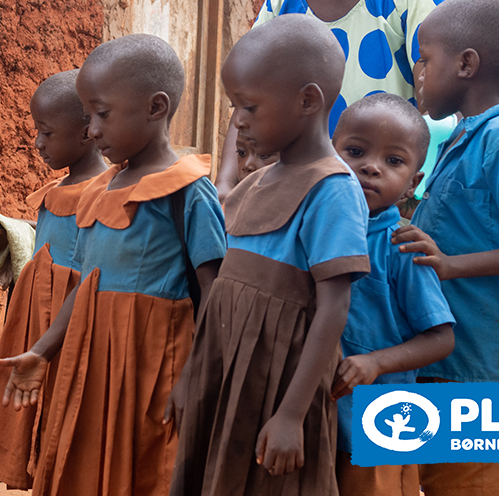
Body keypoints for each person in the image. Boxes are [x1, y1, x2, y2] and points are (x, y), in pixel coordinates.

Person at [0, 34, 226, 496]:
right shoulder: (100, 191)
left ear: (155, 107)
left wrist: (195, 379)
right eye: (88, 115)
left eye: (103, 113)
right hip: (94, 361)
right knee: (85, 470)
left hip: (150, 366)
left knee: (144, 471)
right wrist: (42, 351)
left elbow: (215, 296)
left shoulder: (186, 191)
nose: (94, 128)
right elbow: (88, 285)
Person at [172, 14, 369, 495]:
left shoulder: (333, 189)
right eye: (235, 106)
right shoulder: (256, 183)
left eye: (249, 106)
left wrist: (291, 414)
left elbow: (333, 308)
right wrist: (192, 378)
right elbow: (224, 295)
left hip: (276, 389)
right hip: (223, 383)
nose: (237, 120)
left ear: (307, 101)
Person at [390, 1, 499, 494]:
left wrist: (450, 265)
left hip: (486, 373)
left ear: (466, 64)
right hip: (446, 366)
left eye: (425, 59)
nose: (417, 71)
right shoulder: (463, 139)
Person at [0, 69, 107, 490]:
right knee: (30, 410)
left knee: (63, 409)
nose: (37, 143)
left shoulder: (103, 192)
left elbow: (93, 271)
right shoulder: (59, 187)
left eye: (47, 132)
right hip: (35, 316)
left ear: (88, 131)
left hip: (68, 324)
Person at [328, 93, 455, 496]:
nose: (370, 167)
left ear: (412, 184)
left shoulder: (400, 246)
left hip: (378, 422)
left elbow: (441, 339)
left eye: (393, 161)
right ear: (329, 153)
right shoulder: (312, 229)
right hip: (317, 419)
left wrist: (375, 362)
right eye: (355, 151)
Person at [214, 0, 442, 200]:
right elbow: (250, 100)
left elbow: (439, 97)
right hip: (288, 191)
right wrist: (226, 182)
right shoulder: (280, 4)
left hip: (381, 194)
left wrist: (399, 170)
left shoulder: (407, 5)